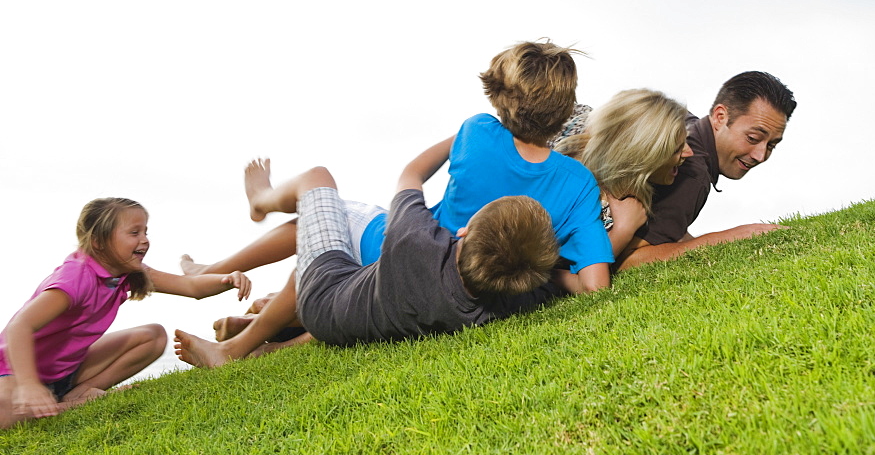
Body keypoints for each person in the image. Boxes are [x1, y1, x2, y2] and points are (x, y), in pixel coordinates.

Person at [181, 40, 614, 294]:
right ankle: (228, 266)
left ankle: (256, 209)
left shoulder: (478, 131)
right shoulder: (577, 183)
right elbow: (595, 286)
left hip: (404, 248)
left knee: (323, 206)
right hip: (463, 276)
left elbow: (416, 171)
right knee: (331, 224)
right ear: (565, 109)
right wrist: (540, 276)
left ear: (500, 98)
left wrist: (489, 124)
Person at [173, 158, 561, 367]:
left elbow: (410, 173)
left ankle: (262, 202)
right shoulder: (504, 303)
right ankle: (253, 328)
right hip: (342, 321)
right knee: (318, 241)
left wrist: (463, 134)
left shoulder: (415, 241)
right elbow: (562, 282)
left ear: (463, 231)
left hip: (324, 294)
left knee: (318, 179)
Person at [0, 198, 251, 429]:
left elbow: (190, 286)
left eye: (145, 231)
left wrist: (227, 279)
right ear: (98, 241)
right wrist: (29, 384)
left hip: (68, 371)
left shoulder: (126, 272)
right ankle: (66, 405)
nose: (144, 239)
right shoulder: (75, 278)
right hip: (14, 371)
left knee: (152, 336)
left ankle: (80, 393)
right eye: (134, 233)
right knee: (6, 415)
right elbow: (20, 326)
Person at [617, 71, 797, 269]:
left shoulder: (681, 122)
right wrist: (728, 237)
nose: (760, 155)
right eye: (752, 138)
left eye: (771, 145)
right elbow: (628, 260)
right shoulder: (692, 173)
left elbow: (664, 229)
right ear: (720, 117)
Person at [552, 89, 694, 260]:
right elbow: (573, 272)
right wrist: (623, 230)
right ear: (642, 157)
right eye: (676, 150)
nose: (689, 153)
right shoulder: (584, 197)